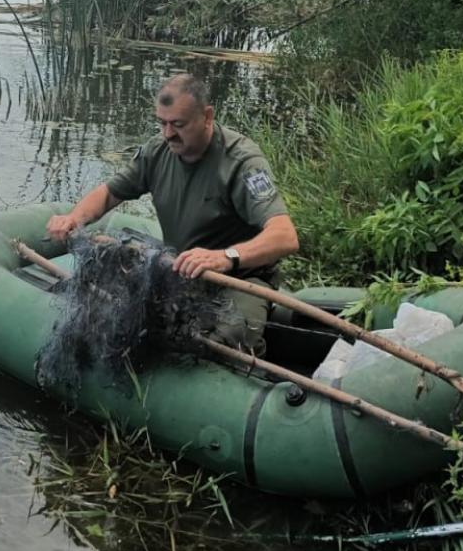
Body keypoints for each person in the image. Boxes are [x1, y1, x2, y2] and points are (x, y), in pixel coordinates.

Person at [46, 73, 298, 353]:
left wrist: (225, 258)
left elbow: (284, 236)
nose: (168, 134)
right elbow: (109, 193)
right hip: (182, 269)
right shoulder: (157, 150)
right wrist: (74, 218)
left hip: (240, 279)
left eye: (178, 124)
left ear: (207, 117)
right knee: (116, 314)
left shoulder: (241, 162)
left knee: (228, 342)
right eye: (162, 123)